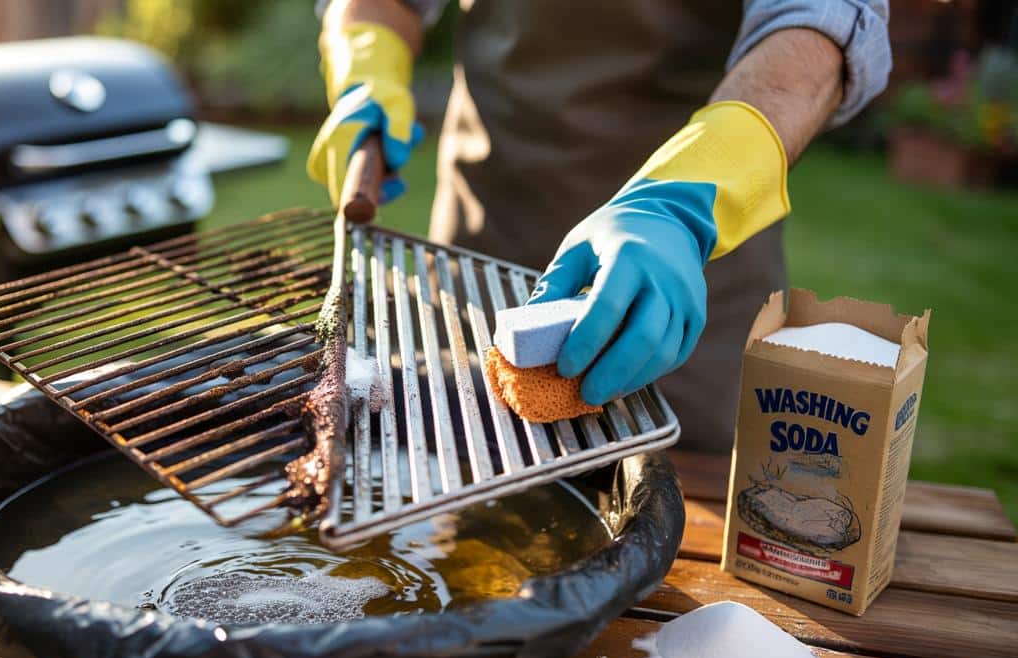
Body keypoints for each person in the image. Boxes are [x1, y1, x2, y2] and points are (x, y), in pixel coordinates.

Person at [307, 0, 891, 452]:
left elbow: (816, 31)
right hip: (481, 250)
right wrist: (365, 68)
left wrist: (683, 200)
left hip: (683, 279)